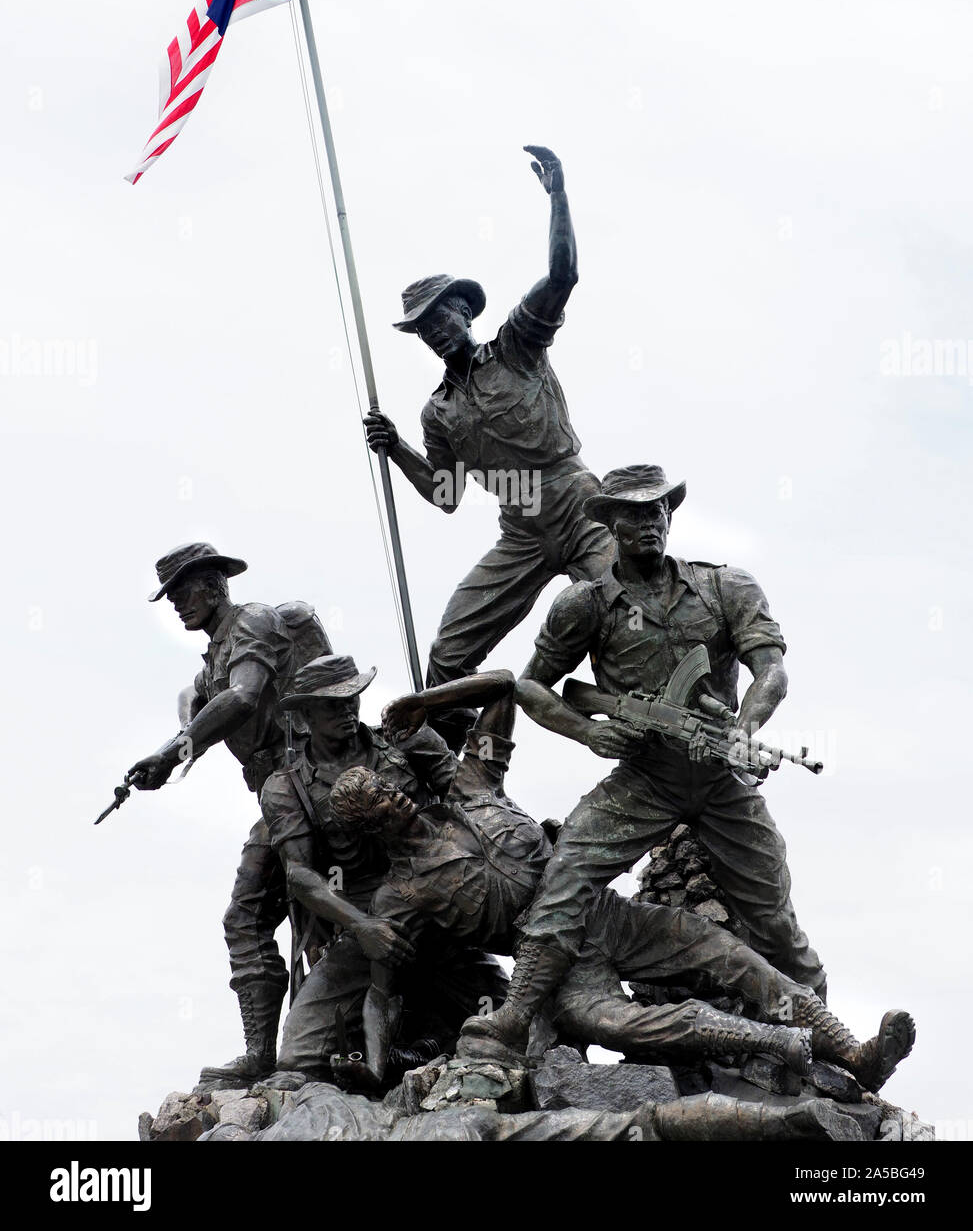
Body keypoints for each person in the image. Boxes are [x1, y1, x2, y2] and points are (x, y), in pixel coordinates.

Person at [325, 673, 914, 1093]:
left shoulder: (474, 788)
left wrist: (426, 701)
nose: (395, 797)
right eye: (379, 804)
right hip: (555, 974)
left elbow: (506, 686)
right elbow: (382, 992)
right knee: (617, 1023)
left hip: (609, 916)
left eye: (388, 787)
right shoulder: (399, 897)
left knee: (732, 958)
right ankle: (773, 1042)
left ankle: (854, 1052)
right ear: (370, 828)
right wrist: (374, 1068)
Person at [460, 463, 830, 1061]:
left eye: (657, 510)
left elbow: (772, 670)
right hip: (645, 779)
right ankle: (515, 1015)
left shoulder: (725, 586)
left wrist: (744, 729)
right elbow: (531, 687)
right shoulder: (584, 605)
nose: (649, 522)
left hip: (718, 775)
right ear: (609, 523)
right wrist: (589, 733)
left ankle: (827, 1039)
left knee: (774, 918)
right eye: (633, 514)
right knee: (565, 880)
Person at [363, 146, 613, 743]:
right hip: (520, 532)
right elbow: (444, 495)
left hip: (578, 505)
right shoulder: (437, 411)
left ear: (462, 311)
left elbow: (563, 277)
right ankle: (462, 778)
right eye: (420, 328)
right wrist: (396, 446)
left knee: (626, 617)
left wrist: (558, 196)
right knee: (447, 656)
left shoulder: (516, 346)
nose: (430, 332)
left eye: (437, 317)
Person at [128, 541, 327, 1084]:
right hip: (275, 792)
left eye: (182, 590)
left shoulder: (253, 622)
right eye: (170, 595)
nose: (176, 604)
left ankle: (311, 1045)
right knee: (245, 919)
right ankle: (262, 1052)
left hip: (310, 781)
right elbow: (206, 706)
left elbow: (243, 697)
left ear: (215, 582)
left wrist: (172, 753)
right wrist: (171, 751)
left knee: (286, 911)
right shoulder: (213, 656)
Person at [260, 655, 508, 1078]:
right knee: (298, 1057)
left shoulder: (406, 740)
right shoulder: (286, 787)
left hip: (442, 896)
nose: (347, 710)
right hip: (371, 917)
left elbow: (473, 799)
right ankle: (395, 1057)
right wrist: (360, 927)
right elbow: (299, 875)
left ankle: (432, 1047)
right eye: (332, 704)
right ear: (304, 715)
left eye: (352, 698)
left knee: (517, 1011)